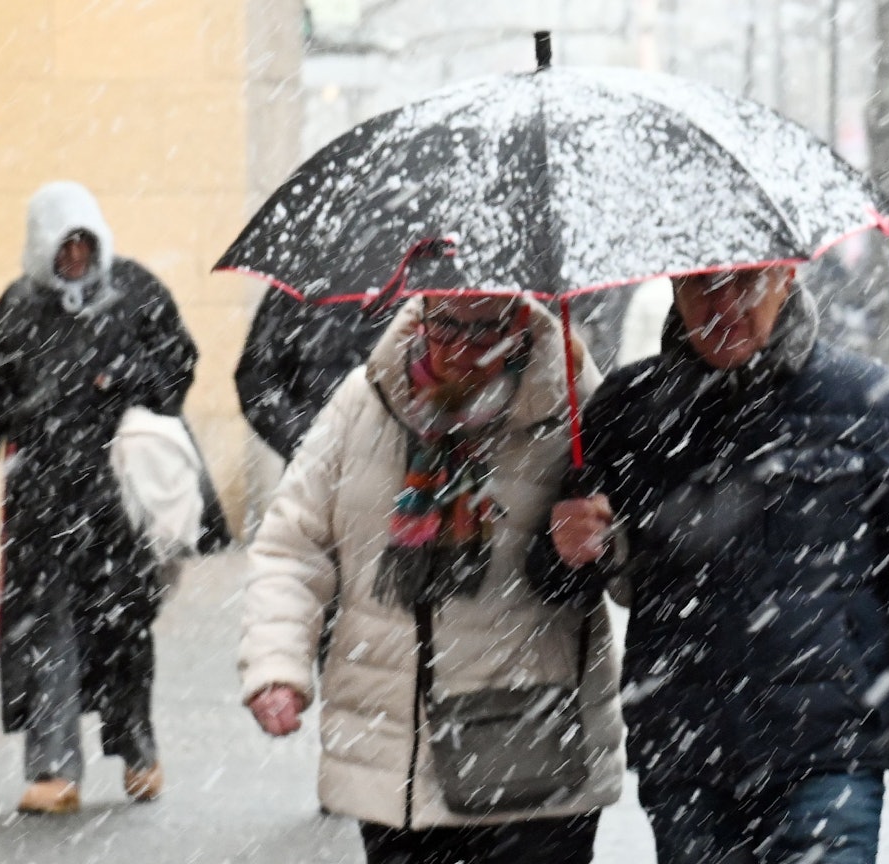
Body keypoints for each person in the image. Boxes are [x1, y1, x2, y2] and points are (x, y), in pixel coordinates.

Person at [532, 265, 889, 864]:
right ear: (672, 287)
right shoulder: (627, 409)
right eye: (702, 286)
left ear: (786, 276)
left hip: (828, 748)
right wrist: (561, 550)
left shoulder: (861, 400)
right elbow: (560, 579)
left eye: (745, 283)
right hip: (686, 755)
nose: (723, 305)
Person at [238, 288, 624, 864]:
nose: (463, 348)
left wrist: (603, 539)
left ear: (520, 321)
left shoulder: (573, 401)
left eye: (485, 329)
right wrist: (277, 662)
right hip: (399, 761)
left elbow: (643, 560)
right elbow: (294, 543)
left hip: (534, 752)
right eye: (446, 326)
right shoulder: (364, 400)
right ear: (419, 314)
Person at [0, 181, 228, 814]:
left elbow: (178, 367)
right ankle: (53, 767)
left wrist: (124, 377)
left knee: (123, 633)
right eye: (63, 246)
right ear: (41, 248)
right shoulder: (17, 308)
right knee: (46, 631)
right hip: (42, 503)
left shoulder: (137, 291)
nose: (75, 256)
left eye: (83, 243)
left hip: (116, 505)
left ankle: (136, 748)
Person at [235, 286, 393, 463]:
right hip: (315, 463)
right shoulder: (299, 283)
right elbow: (255, 377)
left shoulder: (413, 282)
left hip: (394, 461)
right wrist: (305, 441)